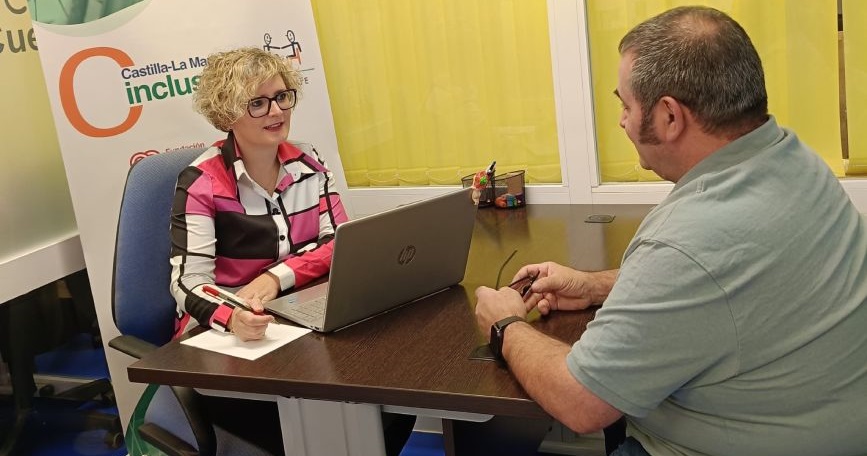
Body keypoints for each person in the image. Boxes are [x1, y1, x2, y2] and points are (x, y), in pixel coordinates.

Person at [475, 6, 867, 456]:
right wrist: (597, 286)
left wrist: (504, 323)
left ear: (669, 117)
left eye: (625, 104)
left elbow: (582, 402)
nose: (621, 120)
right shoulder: (794, 161)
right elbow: (733, 280)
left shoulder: (688, 239)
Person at [169, 47, 413, 456]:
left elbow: (339, 242)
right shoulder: (201, 181)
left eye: (282, 97)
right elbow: (186, 281)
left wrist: (274, 278)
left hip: (297, 321)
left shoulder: (309, 162)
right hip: (230, 341)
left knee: (396, 401)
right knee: (320, 427)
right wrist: (232, 316)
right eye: (258, 103)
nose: (276, 111)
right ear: (227, 114)